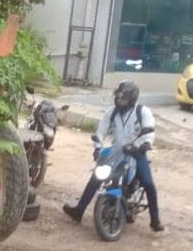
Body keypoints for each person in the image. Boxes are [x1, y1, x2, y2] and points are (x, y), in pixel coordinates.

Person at [62, 80, 163, 233]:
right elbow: (100, 131)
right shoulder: (112, 112)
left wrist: (146, 143)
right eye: (118, 97)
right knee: (97, 176)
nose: (119, 101)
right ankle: (79, 210)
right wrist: (97, 146)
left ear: (132, 99)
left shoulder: (142, 112)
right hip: (116, 152)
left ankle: (155, 220)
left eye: (123, 98)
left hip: (136, 153)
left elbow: (150, 131)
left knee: (148, 183)